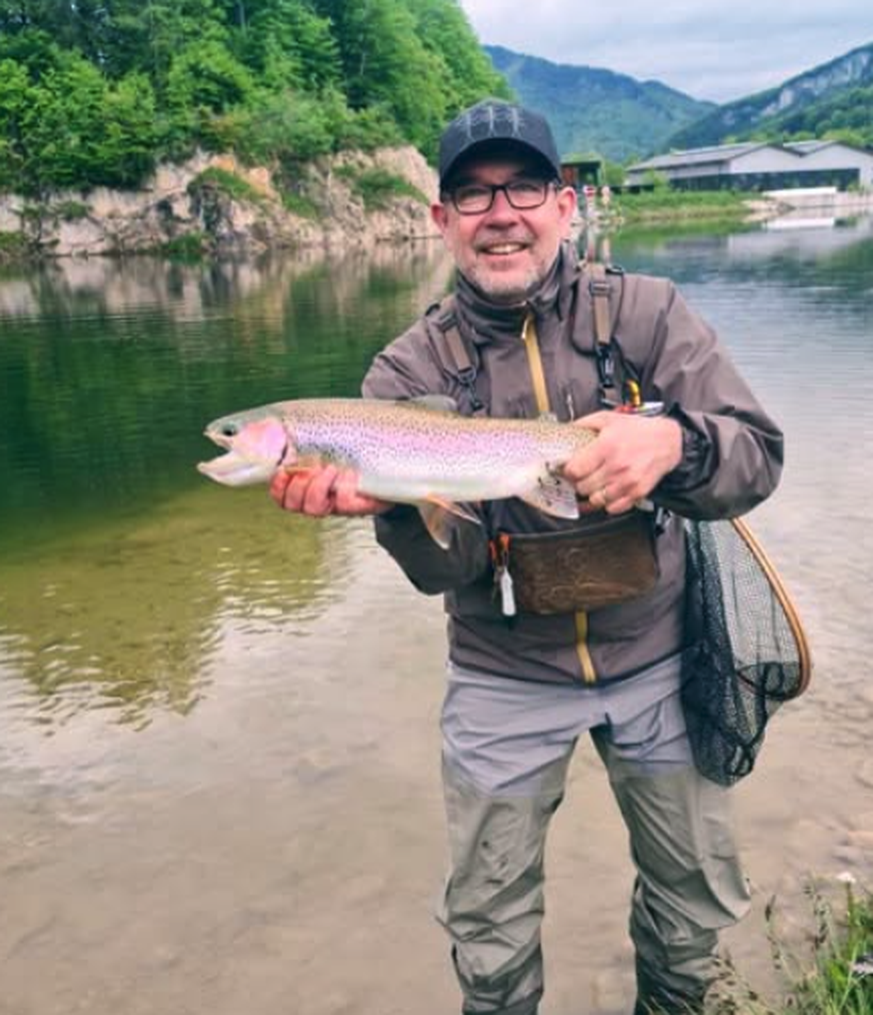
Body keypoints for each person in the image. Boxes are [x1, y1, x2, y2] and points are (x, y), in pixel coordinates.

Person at [270, 100, 783, 1015]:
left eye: (523, 188)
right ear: (441, 220)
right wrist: (387, 508)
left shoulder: (647, 314)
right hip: (503, 672)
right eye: (471, 194)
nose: (498, 213)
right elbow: (445, 569)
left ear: (565, 203)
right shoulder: (404, 373)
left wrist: (675, 447)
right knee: (489, 926)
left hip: (661, 658)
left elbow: (756, 457)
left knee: (690, 909)